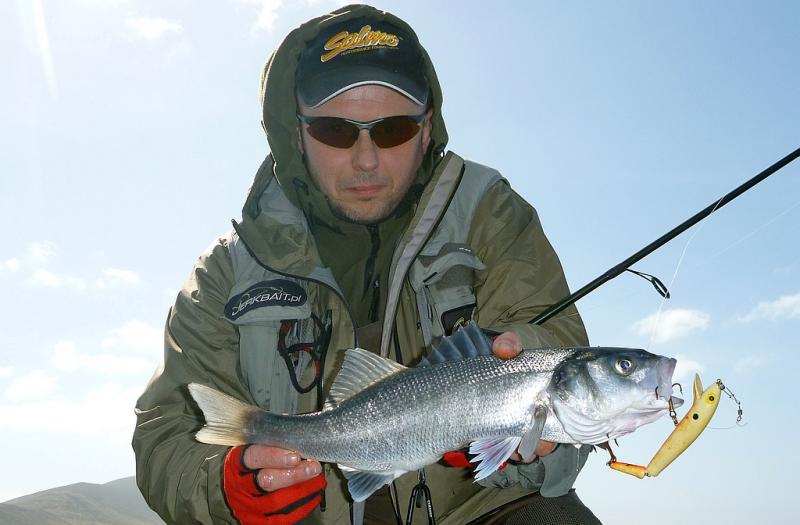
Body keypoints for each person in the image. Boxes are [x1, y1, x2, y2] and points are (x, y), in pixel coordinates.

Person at [133, 4, 601, 524]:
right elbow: (165, 431)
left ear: (427, 129)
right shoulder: (224, 272)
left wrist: (531, 419)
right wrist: (225, 489)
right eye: (335, 131)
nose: (366, 159)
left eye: (393, 129)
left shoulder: (490, 218)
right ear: (297, 133)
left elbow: (559, 352)